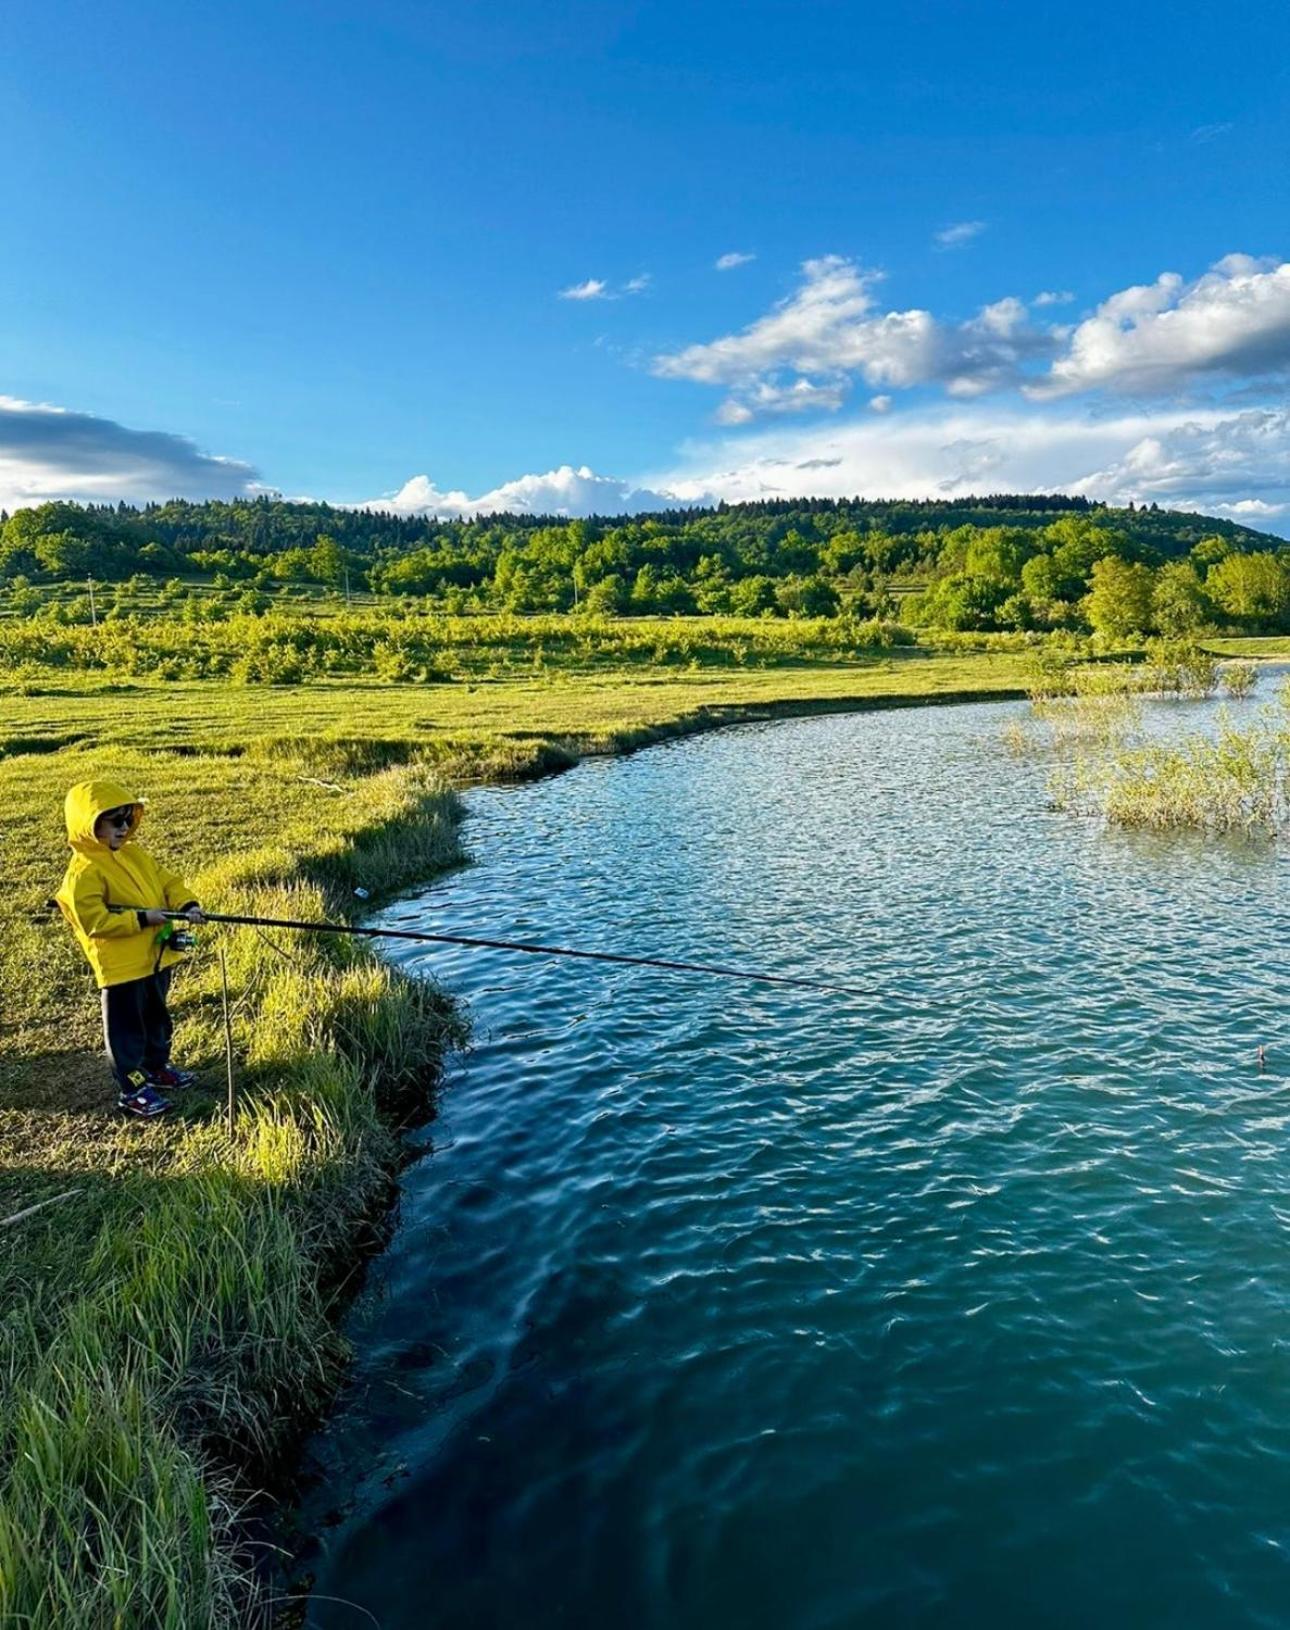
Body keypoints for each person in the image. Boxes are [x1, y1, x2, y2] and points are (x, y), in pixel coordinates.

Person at [55, 780, 205, 1118]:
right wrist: (142, 920)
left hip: (155, 959)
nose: (124, 827)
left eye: (127, 819)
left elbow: (168, 882)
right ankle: (133, 1089)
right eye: (114, 821)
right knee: (127, 1034)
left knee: (158, 1022)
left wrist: (188, 903)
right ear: (89, 825)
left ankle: (158, 1068)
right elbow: (94, 922)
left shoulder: (134, 853)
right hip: (121, 970)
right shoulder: (83, 874)